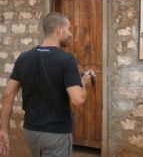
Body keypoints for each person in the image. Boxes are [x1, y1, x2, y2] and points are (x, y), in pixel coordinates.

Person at [0, 12, 91, 157]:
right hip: (56, 134)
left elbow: (7, 95)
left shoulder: (24, 58)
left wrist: (4, 130)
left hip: (31, 132)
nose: (71, 34)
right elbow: (78, 99)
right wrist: (83, 85)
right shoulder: (66, 60)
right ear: (59, 30)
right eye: (69, 29)